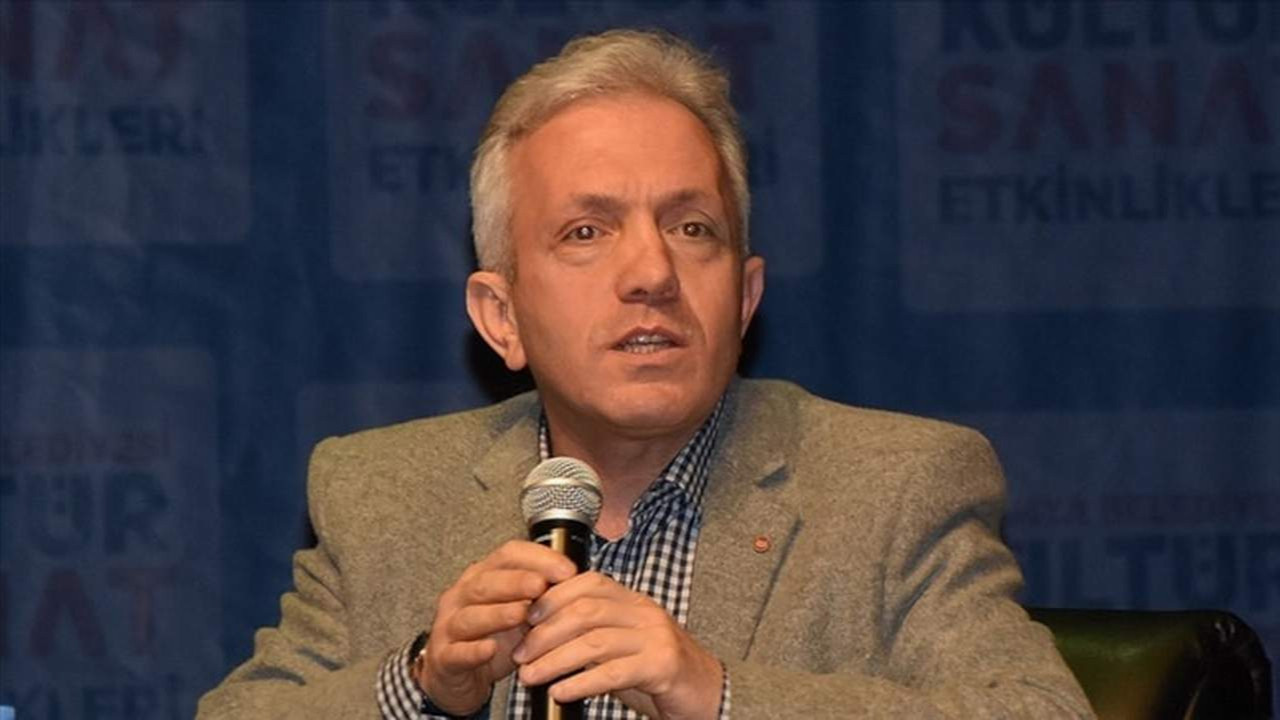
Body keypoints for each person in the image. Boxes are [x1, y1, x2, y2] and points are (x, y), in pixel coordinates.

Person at [199, 29, 1094, 720]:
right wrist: (424, 683)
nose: (653, 273)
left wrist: (717, 695)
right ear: (500, 317)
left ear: (744, 300)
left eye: (692, 228)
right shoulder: (381, 494)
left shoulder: (895, 489)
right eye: (586, 232)